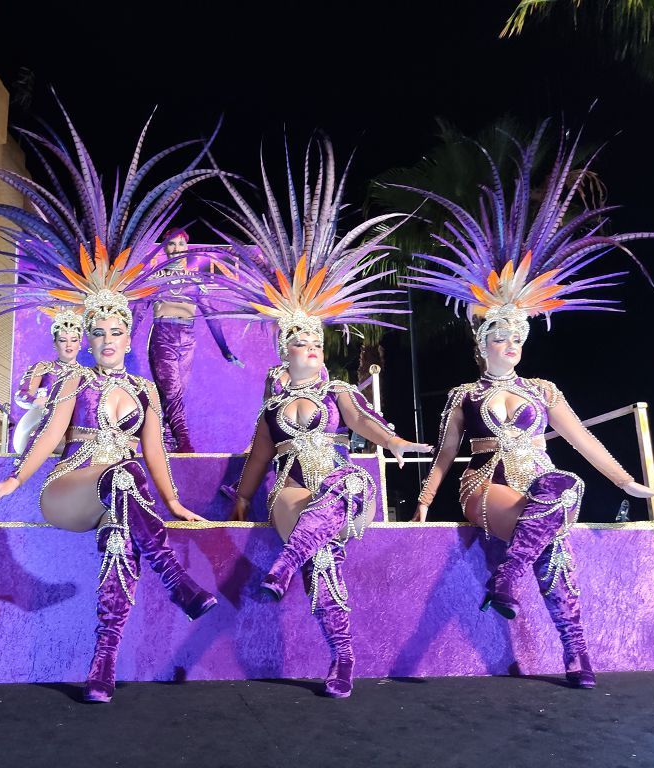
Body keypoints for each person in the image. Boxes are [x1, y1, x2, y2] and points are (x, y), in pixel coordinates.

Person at [400, 122, 654, 688]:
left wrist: (632, 485)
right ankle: (567, 640)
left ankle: (554, 627)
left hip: (543, 487)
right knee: (552, 525)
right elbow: (443, 457)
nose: (511, 344)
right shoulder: (466, 395)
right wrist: (421, 503)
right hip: (485, 485)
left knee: (562, 495)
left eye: (518, 337)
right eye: (500, 335)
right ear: (482, 340)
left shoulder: (546, 391)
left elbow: (584, 442)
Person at [0, 100, 222, 703]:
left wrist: (177, 504)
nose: (107, 341)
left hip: (122, 489)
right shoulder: (73, 382)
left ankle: (102, 665)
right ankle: (176, 580)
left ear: (132, 333)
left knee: (122, 522)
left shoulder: (145, 390)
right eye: (98, 332)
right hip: (69, 486)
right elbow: (53, 437)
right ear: (91, 335)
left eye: (116, 332)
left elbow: (155, 454)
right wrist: (12, 482)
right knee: (118, 486)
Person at [215, 135, 431, 698]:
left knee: (350, 480)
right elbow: (260, 457)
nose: (312, 349)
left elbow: (363, 425)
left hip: (339, 488)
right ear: (284, 351)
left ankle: (282, 567)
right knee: (324, 556)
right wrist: (240, 499)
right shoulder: (273, 405)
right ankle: (343, 658)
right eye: (301, 344)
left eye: (317, 343)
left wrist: (398, 443)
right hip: (290, 490)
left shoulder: (339, 390)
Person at [147, 227, 241, 453]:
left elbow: (211, 315)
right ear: (165, 248)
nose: (176, 248)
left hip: (187, 339)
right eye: (171, 243)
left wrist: (225, 350)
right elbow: (139, 311)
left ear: (186, 248)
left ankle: (167, 443)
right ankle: (185, 442)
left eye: (181, 244)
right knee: (171, 391)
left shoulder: (196, 280)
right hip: (162, 335)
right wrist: (126, 340)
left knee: (175, 394)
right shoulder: (153, 278)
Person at [12, 309, 86, 453]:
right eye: (63, 340)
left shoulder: (87, 375)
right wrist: (37, 401)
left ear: (80, 343)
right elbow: (21, 395)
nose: (68, 345)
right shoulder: (44, 368)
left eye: (73, 340)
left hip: (73, 430)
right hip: (41, 424)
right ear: (55, 343)